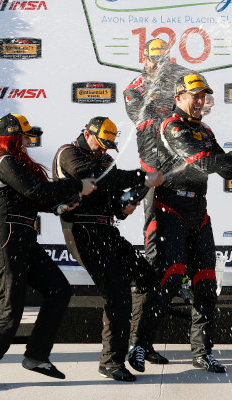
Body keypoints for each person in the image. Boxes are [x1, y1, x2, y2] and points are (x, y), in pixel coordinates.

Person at [128, 73, 232, 373]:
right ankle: (139, 345)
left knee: (205, 282)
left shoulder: (203, 129)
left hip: (198, 211)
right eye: (195, 95)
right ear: (178, 98)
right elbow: (203, 163)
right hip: (168, 208)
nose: (200, 101)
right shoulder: (172, 126)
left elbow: (226, 170)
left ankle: (202, 352)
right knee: (167, 281)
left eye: (204, 96)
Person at [0, 113, 96, 391]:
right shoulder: (4, 161)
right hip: (5, 239)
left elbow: (30, 199)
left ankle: (37, 356)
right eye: (25, 136)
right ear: (13, 136)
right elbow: (37, 189)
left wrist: (57, 207)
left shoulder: (12, 161)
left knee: (59, 290)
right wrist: (76, 185)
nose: (29, 142)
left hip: (22, 237)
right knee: (9, 308)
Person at [52, 116, 163, 382]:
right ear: (87, 133)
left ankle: (139, 343)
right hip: (81, 231)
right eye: (101, 144)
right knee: (117, 291)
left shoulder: (105, 161)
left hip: (107, 230)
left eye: (108, 146)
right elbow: (95, 179)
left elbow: (112, 199)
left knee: (147, 277)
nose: (104, 150)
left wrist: (123, 207)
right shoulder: (68, 153)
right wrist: (141, 176)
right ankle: (111, 362)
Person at [123, 38, 193, 364]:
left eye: (164, 59)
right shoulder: (134, 88)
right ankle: (139, 341)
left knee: (177, 259)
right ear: (145, 60)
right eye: (155, 59)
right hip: (155, 180)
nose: (160, 64)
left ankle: (147, 338)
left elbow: (196, 107)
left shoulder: (179, 81)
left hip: (182, 177)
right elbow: (144, 119)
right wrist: (160, 91)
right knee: (154, 261)